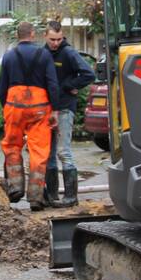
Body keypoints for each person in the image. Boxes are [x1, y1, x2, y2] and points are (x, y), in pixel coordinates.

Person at [0, 22, 59, 210]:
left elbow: (2, 87)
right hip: (40, 106)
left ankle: (15, 187)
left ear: (18, 35)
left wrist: (5, 108)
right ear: (32, 34)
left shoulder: (9, 56)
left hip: (14, 105)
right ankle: (36, 197)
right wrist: (55, 110)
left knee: (12, 144)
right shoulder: (44, 54)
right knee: (39, 150)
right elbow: (52, 84)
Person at [43, 21, 96, 207]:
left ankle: (71, 196)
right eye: (52, 40)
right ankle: (51, 195)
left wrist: (69, 86)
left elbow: (89, 74)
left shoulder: (69, 53)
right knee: (48, 154)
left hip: (64, 107)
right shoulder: (43, 54)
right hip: (47, 109)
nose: (56, 43)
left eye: (59, 39)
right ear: (45, 36)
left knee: (63, 151)